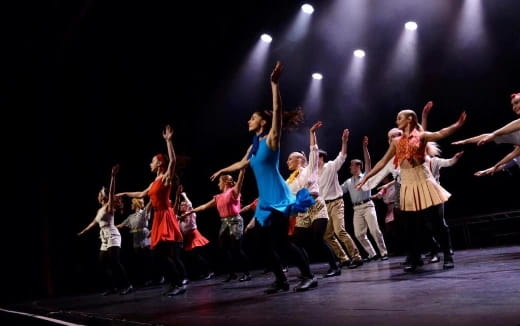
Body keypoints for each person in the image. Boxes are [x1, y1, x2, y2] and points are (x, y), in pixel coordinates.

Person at [210, 61, 316, 294]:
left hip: (278, 196)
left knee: (282, 243)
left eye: (252, 118)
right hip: (265, 200)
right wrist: (222, 171)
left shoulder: (271, 138)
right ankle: (281, 280)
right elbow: (243, 163)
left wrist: (274, 84)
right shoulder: (255, 145)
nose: (248, 121)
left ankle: (308, 276)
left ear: (263, 122)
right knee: (261, 244)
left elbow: (278, 111)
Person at [356, 108, 466, 272]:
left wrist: (456, 125)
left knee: (436, 222)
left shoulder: (421, 136)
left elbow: (440, 133)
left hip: (423, 180)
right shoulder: (396, 143)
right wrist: (366, 177)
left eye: (399, 118)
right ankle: (414, 257)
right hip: (405, 184)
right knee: (409, 225)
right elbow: (381, 162)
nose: (396, 121)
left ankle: (446, 254)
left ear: (409, 119)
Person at [116, 125, 187, 296]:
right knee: (158, 255)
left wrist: (168, 141)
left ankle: (178, 283)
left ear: (160, 163)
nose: (150, 163)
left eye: (152, 161)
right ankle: (173, 282)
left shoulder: (165, 177)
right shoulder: (153, 182)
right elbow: (141, 194)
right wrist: (124, 193)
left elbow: (173, 162)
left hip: (166, 216)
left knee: (164, 253)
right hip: (157, 217)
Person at [285, 121, 341, 278]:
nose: (287, 162)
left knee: (317, 239)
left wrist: (312, 133)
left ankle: (335, 267)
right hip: (302, 213)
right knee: (296, 242)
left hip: (316, 207)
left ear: (299, 160)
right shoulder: (288, 181)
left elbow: (313, 150)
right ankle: (306, 271)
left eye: (290, 159)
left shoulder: (310, 170)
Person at [184, 170, 252, 282]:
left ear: (226, 182)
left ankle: (246, 273)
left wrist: (242, 168)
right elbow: (204, 207)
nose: (218, 184)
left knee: (236, 249)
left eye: (219, 182)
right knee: (224, 249)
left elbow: (241, 179)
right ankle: (232, 274)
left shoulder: (233, 192)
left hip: (235, 221)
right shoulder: (218, 197)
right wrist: (189, 212)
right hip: (224, 223)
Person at [78, 164, 134, 296]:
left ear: (103, 196)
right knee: (102, 264)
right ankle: (112, 287)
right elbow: (94, 222)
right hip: (104, 238)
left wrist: (113, 176)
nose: (97, 196)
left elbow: (111, 192)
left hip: (113, 235)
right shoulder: (99, 210)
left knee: (115, 262)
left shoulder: (109, 207)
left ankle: (128, 285)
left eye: (99, 194)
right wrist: (84, 231)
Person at [318, 128, 364, 269]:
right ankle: (343, 258)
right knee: (327, 235)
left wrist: (344, 141)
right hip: (324, 206)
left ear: (321, 158)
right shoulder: (312, 173)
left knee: (340, 231)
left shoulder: (330, 166)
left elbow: (342, 156)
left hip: (336, 202)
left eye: (316, 156)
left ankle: (356, 257)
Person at [341, 136, 388, 261]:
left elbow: (368, 163)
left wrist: (365, 147)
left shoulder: (365, 176)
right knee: (359, 234)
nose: (350, 167)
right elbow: (339, 191)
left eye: (352, 165)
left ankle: (383, 252)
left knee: (375, 230)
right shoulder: (348, 182)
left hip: (367, 205)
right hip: (356, 209)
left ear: (358, 166)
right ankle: (372, 253)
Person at [452, 92, 519, 176]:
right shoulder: (516, 135)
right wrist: (466, 141)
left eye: (517, 102)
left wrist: (493, 134)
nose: (514, 107)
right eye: (513, 105)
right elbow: (512, 154)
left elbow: (511, 127)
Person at [176, 186, 214, 280]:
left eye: (183, 205)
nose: (181, 206)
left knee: (196, 256)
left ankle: (209, 271)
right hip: (188, 239)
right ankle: (201, 272)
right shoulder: (180, 218)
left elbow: (190, 204)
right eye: (180, 205)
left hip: (194, 236)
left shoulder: (191, 213)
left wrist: (184, 195)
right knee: (192, 257)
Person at [116, 198, 156, 286]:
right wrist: (110, 227)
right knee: (140, 260)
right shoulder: (131, 217)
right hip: (136, 238)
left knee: (148, 259)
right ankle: (145, 278)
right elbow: (121, 225)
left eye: (132, 203)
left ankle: (154, 278)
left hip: (144, 236)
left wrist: (153, 195)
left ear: (136, 204)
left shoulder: (144, 212)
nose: (131, 205)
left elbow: (150, 203)